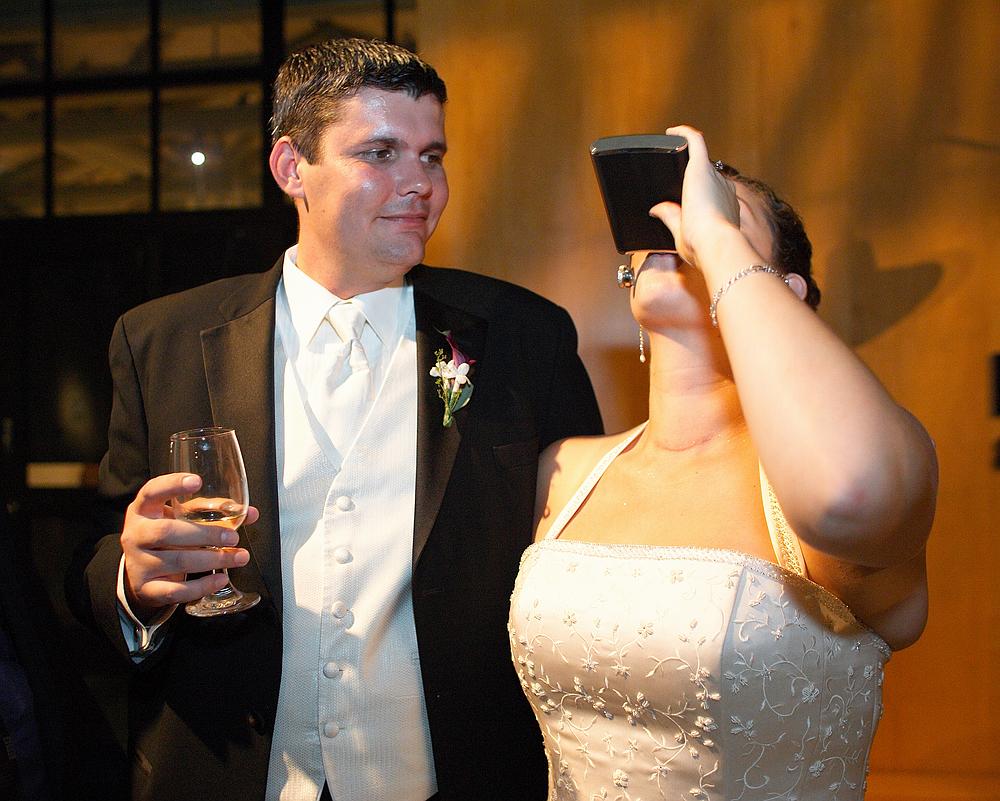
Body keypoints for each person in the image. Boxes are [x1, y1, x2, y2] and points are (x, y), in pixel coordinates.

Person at [73, 38, 602, 801]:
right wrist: (136, 581)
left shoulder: (525, 337)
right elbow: (93, 563)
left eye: (431, 156)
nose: (420, 183)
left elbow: (584, 558)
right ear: (293, 168)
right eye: (381, 153)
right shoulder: (162, 341)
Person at [509, 125, 937, 800]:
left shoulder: (819, 479)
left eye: (719, 207)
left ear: (785, 290)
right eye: (670, 212)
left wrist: (715, 239)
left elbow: (853, 492)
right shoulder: (563, 473)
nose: (681, 220)